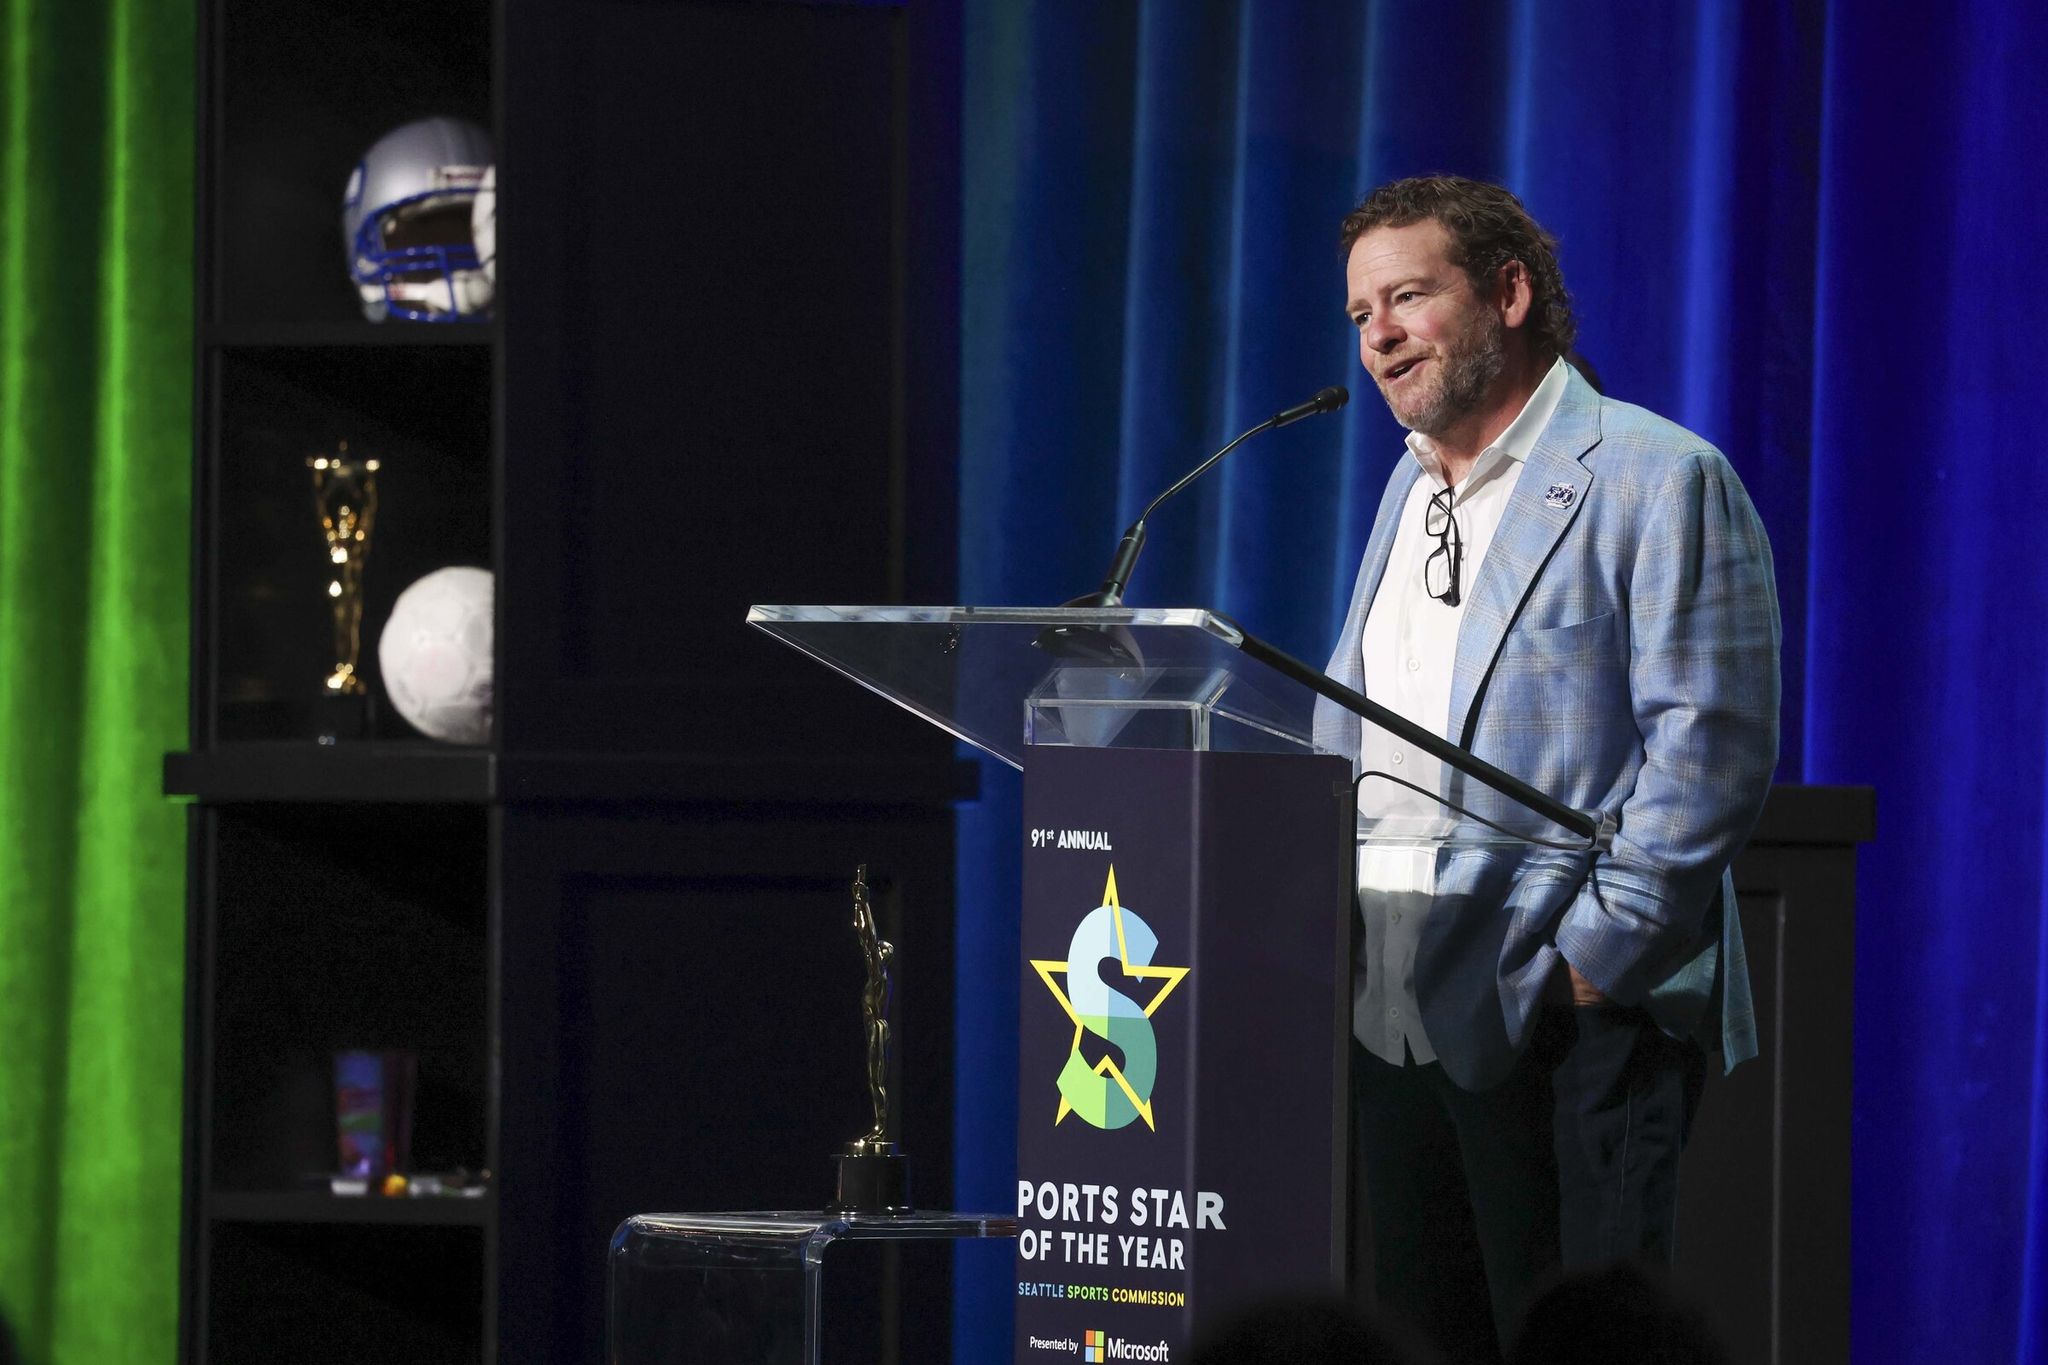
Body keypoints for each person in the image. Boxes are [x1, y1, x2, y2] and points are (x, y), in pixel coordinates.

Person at [1312, 176, 1778, 1362]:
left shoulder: (1653, 476)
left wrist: (1595, 959)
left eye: (1407, 296)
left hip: (1562, 1007)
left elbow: (1710, 747)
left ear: (1508, 293)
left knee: (1565, 1340)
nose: (1376, 334)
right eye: (1361, 308)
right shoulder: (1407, 490)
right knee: (1429, 1337)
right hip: (1397, 990)